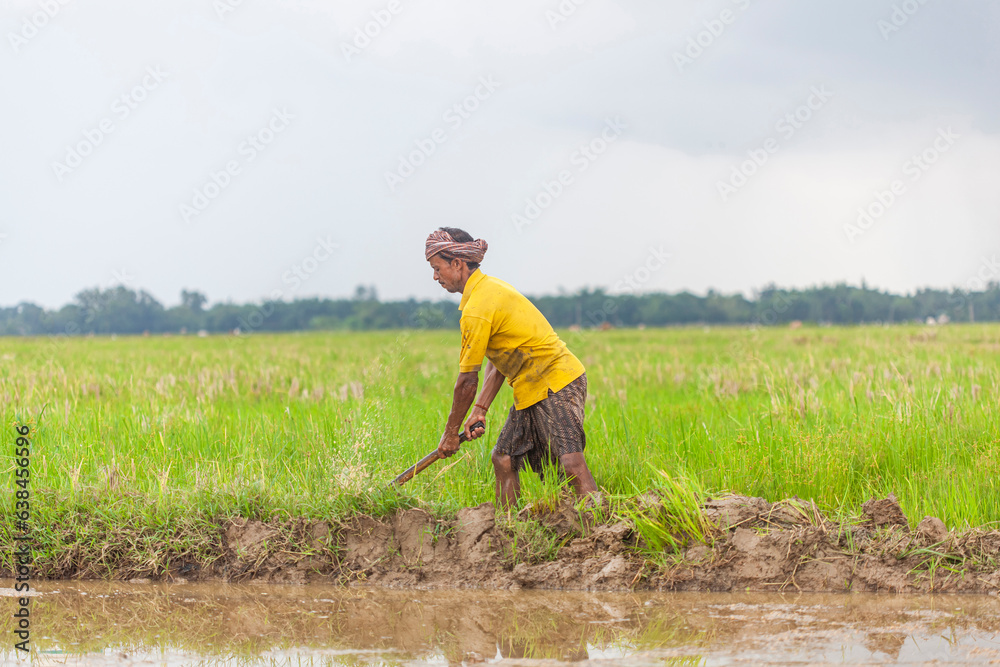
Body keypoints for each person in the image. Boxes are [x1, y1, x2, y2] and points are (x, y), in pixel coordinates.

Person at [426, 227, 598, 508]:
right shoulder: (488, 289)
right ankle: (510, 532)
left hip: (555, 379)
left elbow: (467, 381)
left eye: (437, 268)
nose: (435, 277)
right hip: (529, 385)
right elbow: (502, 358)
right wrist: (480, 410)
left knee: (569, 461)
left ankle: (601, 532)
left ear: (457, 264)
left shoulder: (478, 307)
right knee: (503, 457)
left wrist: (450, 433)